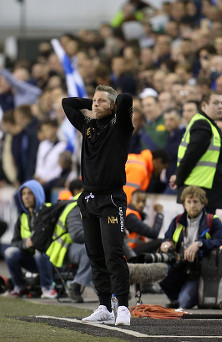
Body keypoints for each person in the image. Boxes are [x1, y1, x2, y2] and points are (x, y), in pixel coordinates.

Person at [62, 85, 133, 326]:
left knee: (113, 252)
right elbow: (67, 103)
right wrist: (94, 101)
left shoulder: (120, 126)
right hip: (89, 198)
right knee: (94, 254)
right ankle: (104, 305)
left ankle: (123, 306)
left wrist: (109, 101)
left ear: (113, 107)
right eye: (93, 101)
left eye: (101, 101)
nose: (95, 104)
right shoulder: (88, 126)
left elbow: (125, 98)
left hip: (111, 199)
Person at [159, 186, 222, 309]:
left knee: (184, 303)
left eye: (195, 202)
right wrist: (166, 244)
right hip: (180, 265)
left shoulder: (212, 220)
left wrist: (199, 244)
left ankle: (183, 298)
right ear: (184, 204)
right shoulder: (178, 220)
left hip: (201, 270)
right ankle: (176, 297)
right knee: (159, 272)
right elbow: (166, 238)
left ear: (203, 203)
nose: (192, 205)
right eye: (188, 202)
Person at [169, 90, 222, 213]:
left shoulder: (208, 123)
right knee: (200, 230)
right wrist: (178, 178)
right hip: (198, 191)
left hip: (201, 188)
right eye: (216, 103)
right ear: (204, 105)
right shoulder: (203, 125)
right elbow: (191, 155)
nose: (220, 107)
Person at [4, 180, 57, 299]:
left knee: (40, 253)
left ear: (37, 194)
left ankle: (48, 288)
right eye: (23, 194)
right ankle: (20, 287)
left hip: (53, 258)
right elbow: (14, 243)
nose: (26, 197)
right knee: (10, 252)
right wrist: (25, 244)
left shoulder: (50, 211)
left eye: (30, 193)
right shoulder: (22, 217)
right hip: (33, 259)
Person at [45, 182, 93, 303]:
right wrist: (99, 236)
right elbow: (76, 235)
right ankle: (76, 285)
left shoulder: (86, 204)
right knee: (89, 250)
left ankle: (111, 289)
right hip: (63, 248)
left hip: (72, 245)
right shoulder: (76, 207)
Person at [125, 190, 164, 255]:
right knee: (161, 241)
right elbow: (154, 234)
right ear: (131, 200)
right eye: (138, 201)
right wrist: (159, 214)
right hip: (128, 253)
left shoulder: (129, 213)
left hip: (128, 251)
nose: (141, 204)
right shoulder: (130, 217)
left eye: (143, 201)